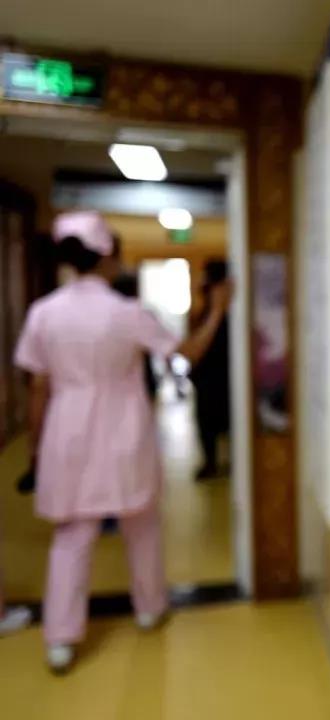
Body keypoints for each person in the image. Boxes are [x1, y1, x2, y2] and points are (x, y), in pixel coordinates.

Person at [14, 211, 233, 673]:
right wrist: (217, 310)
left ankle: (60, 639)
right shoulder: (127, 313)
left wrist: (35, 450)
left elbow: (37, 388)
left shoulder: (43, 313)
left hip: (66, 430)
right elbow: (187, 354)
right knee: (141, 524)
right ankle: (150, 608)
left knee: (71, 537)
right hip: (123, 428)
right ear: (109, 256)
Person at [189, 261, 230, 479]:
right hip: (207, 374)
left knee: (224, 420)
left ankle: (219, 461)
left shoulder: (231, 311)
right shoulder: (206, 311)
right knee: (206, 421)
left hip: (224, 374)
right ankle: (210, 462)